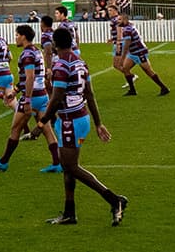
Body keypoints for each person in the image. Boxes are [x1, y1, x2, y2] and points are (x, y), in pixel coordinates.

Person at [37, 27, 125, 226]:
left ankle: (113, 199)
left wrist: (42, 122)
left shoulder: (61, 66)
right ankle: (70, 212)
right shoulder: (80, 62)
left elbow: (57, 97)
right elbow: (90, 94)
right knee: (68, 167)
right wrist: (98, 123)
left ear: (55, 44)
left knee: (70, 166)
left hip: (70, 121)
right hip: (80, 118)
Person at [0, 24, 62, 173]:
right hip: (42, 95)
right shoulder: (36, 51)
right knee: (47, 130)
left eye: (17, 35)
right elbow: (30, 78)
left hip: (32, 98)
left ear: (23, 36)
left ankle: (3, 162)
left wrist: (26, 99)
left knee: (15, 128)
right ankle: (57, 163)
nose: (15, 38)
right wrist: (14, 91)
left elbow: (30, 77)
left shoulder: (27, 54)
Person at [112, 12, 170, 97]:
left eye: (120, 19)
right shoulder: (129, 27)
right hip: (134, 52)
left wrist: (122, 57)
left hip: (139, 52)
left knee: (148, 71)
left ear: (124, 20)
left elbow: (127, 45)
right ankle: (132, 90)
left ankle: (164, 88)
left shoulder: (127, 30)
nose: (117, 21)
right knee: (125, 68)